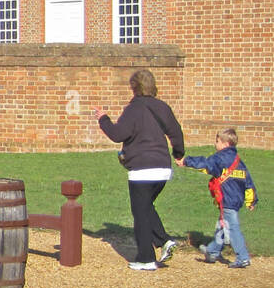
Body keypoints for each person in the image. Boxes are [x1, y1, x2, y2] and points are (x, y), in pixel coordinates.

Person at [94, 69, 185, 270]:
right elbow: (176, 132)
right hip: (162, 168)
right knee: (145, 207)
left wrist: (103, 119)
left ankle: (146, 259)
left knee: (140, 211)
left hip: (142, 168)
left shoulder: (134, 109)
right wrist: (178, 154)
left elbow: (118, 134)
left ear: (134, 88)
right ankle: (164, 241)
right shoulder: (162, 107)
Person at [177, 128, 257, 268]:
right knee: (222, 225)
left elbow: (205, 164)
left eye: (217, 141)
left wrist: (186, 161)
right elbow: (249, 184)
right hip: (236, 200)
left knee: (232, 227)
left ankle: (243, 257)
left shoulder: (220, 158)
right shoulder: (239, 161)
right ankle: (212, 252)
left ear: (225, 144)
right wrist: (251, 201)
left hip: (226, 199)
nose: (215, 144)